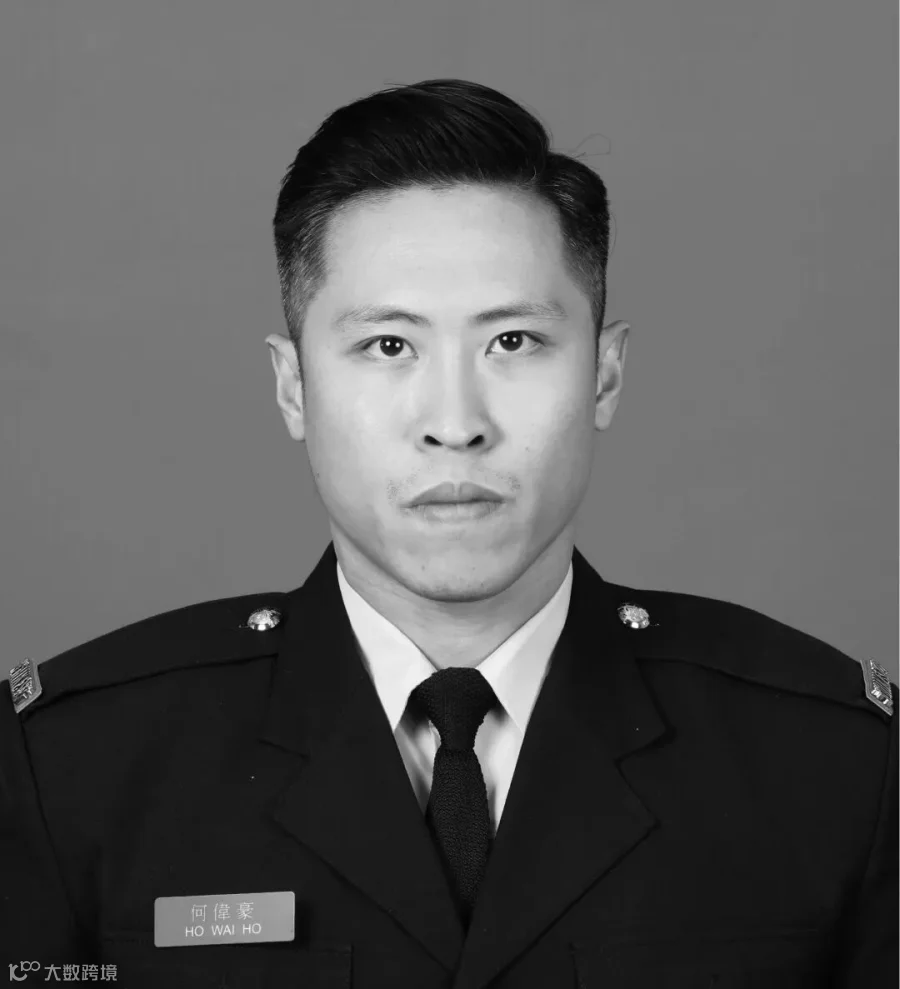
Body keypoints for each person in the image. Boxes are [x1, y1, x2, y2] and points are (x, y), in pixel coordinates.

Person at [1, 79, 896, 989]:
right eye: (389, 346)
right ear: (293, 387)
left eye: (513, 342)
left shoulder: (837, 766)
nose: (456, 423)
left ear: (605, 375)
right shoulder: (68, 770)